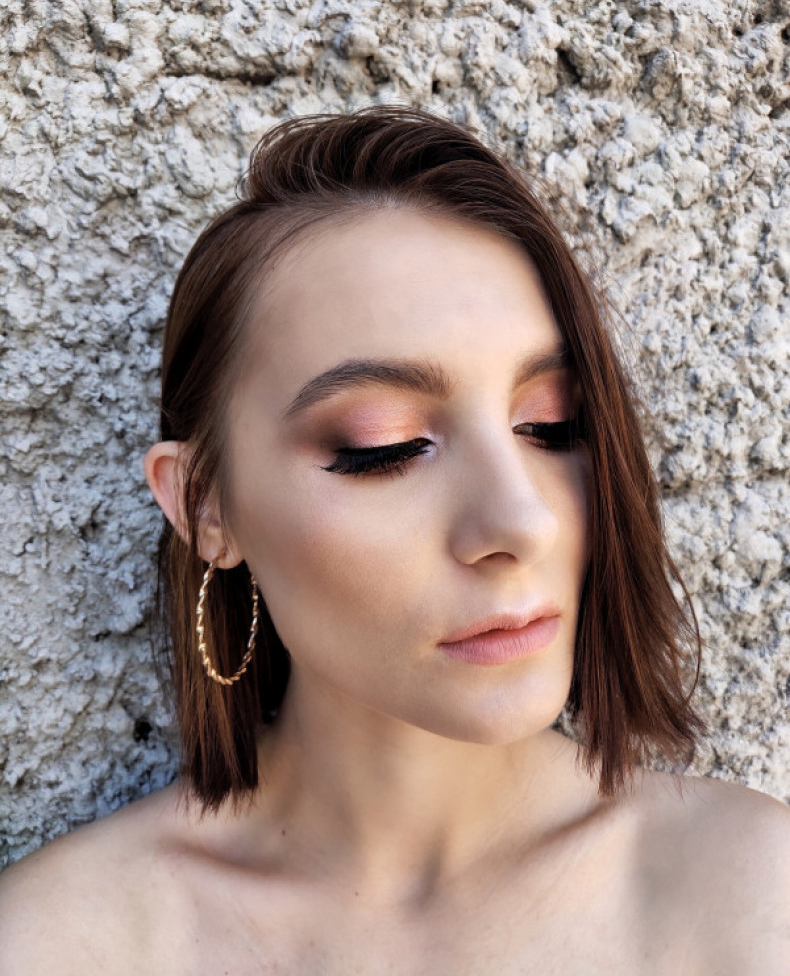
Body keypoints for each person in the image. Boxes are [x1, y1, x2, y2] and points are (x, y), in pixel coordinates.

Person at [0, 107, 787, 973]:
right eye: (386, 446)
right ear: (207, 507)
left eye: (551, 425)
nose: (521, 520)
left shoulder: (749, 896)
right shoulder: (57, 944)